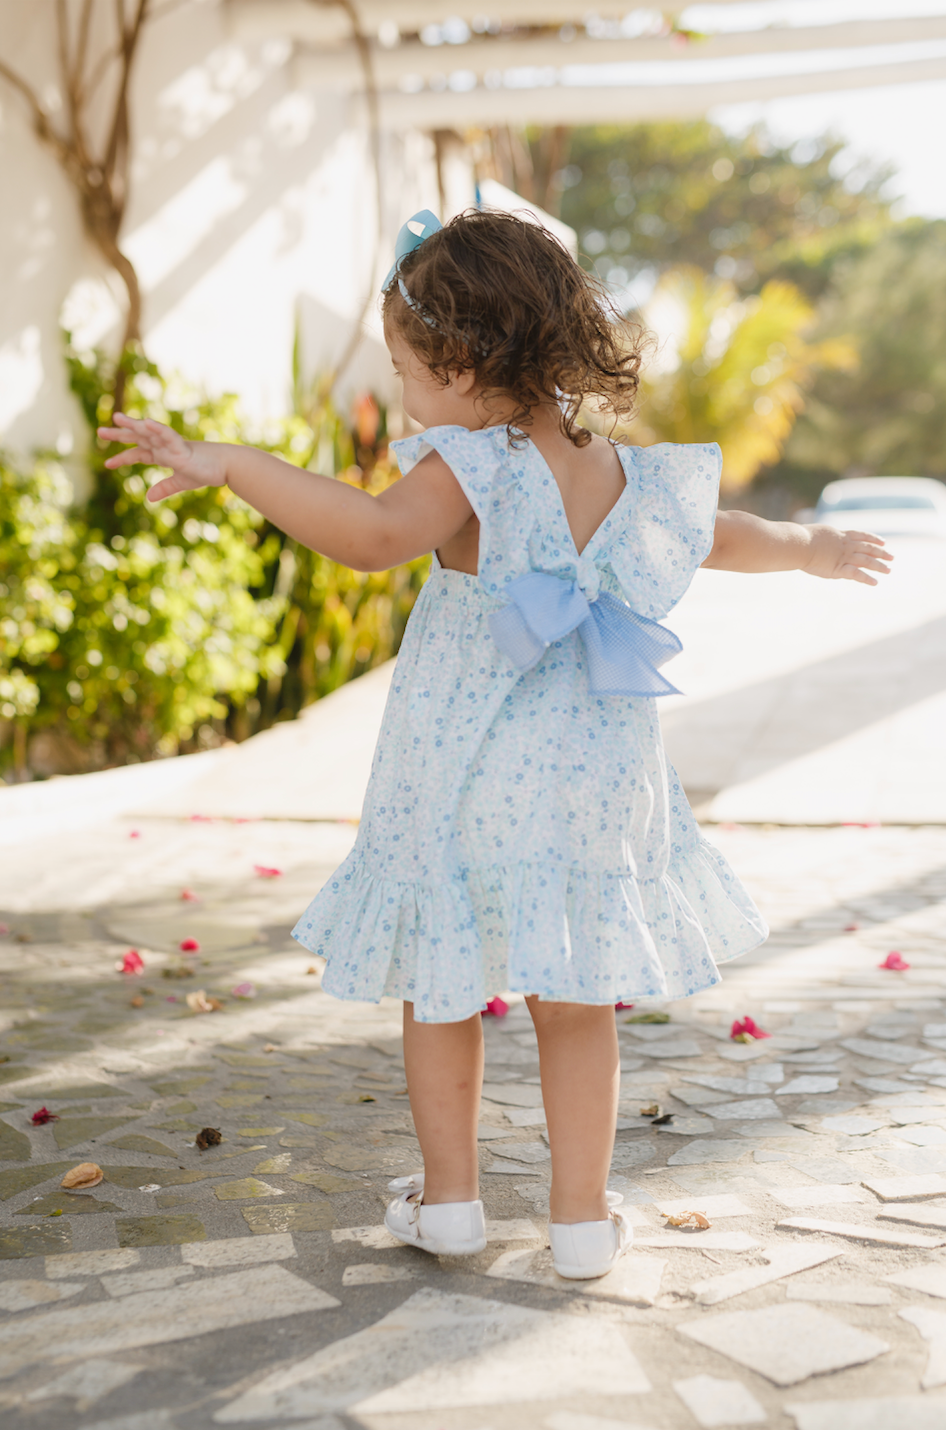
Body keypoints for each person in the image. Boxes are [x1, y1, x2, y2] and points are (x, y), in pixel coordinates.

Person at [99, 208, 892, 1280]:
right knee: (576, 1003)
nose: (402, 391)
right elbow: (721, 534)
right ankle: (577, 1221)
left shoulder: (469, 465)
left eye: (407, 368)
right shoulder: (623, 472)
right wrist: (815, 548)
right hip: (594, 780)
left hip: (463, 768)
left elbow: (369, 535)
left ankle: (453, 1201)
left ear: (465, 367)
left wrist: (235, 463)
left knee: (445, 980)